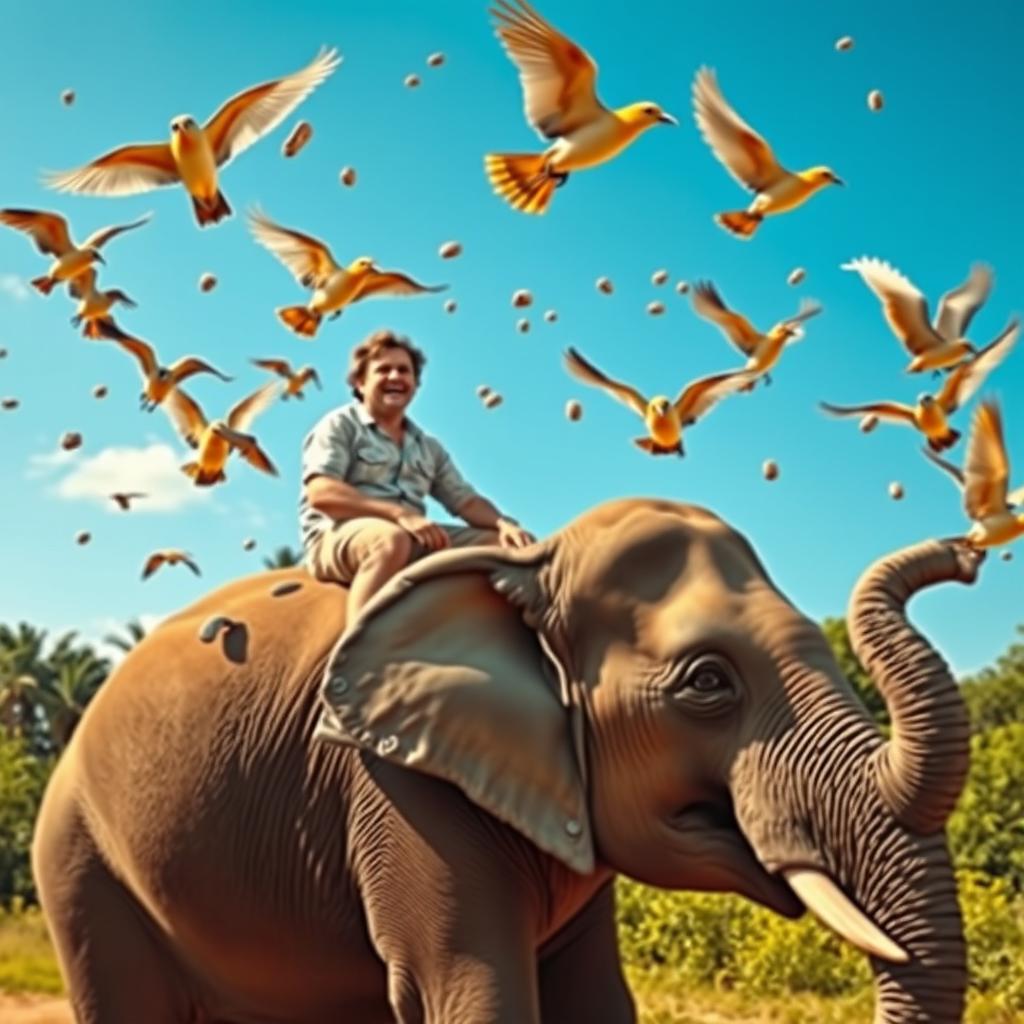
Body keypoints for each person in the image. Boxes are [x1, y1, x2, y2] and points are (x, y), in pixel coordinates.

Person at [300, 328, 535, 630]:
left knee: (502, 547)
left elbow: (465, 500)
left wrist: (504, 524)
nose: (395, 376)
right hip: (339, 537)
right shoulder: (340, 425)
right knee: (389, 540)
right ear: (360, 383)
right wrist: (400, 515)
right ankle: (358, 651)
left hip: (412, 537)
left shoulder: (428, 447)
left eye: (404, 370)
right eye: (383, 370)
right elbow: (322, 494)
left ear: (415, 384)